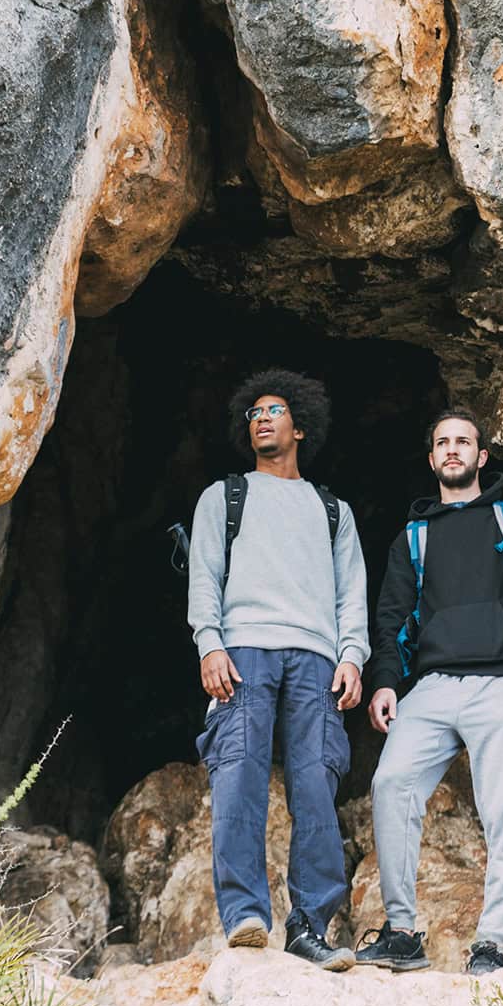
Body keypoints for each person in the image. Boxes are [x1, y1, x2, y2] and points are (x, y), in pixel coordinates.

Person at [356, 407, 503, 976]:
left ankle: (492, 942)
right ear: (431, 459)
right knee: (391, 782)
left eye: (463, 442)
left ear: (482, 456)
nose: (453, 450)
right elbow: (391, 620)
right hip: (432, 685)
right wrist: (384, 684)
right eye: (443, 443)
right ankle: (401, 933)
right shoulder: (413, 538)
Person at [187, 369, 368, 970]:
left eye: (275, 410)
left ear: (300, 426)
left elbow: (352, 595)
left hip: (316, 658)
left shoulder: (332, 509)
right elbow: (204, 575)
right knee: (237, 777)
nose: (261, 418)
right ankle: (245, 915)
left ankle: (310, 927)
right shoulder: (225, 496)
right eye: (253, 412)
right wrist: (210, 645)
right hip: (243, 650)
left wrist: (352, 656)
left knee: (315, 785)